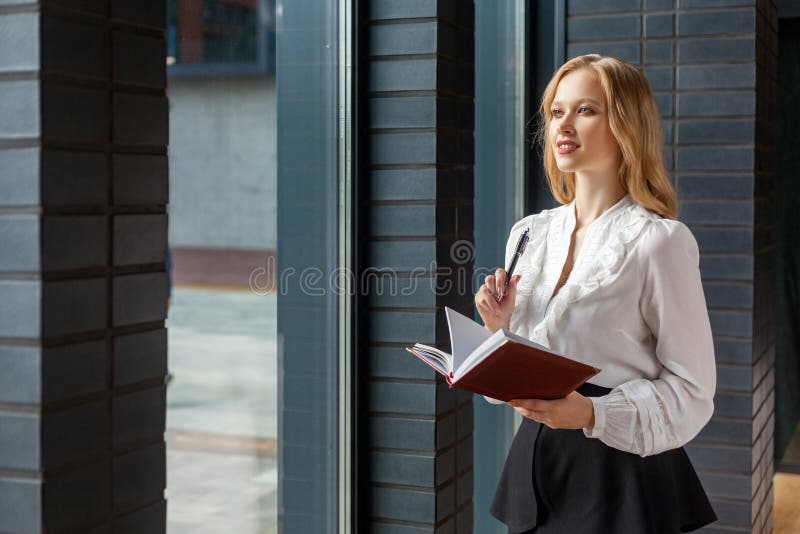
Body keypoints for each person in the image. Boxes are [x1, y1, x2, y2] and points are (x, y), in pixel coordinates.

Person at [474, 54, 718, 533]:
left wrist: (591, 412)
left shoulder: (659, 242)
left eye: (586, 110)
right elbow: (525, 367)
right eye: (556, 111)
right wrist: (498, 330)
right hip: (534, 468)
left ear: (626, 125)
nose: (564, 124)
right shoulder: (529, 234)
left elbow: (694, 393)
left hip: (618, 477)